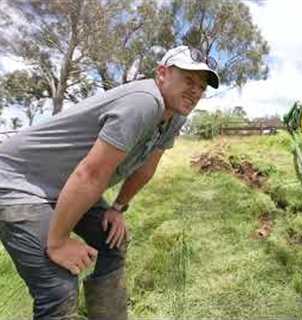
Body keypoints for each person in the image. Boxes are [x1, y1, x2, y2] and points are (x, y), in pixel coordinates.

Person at [0, 45, 219, 320]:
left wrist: (117, 208)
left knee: (113, 242)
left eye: (201, 87)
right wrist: (57, 242)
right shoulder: (144, 101)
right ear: (162, 73)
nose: (196, 91)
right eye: (189, 80)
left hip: (64, 184)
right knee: (58, 286)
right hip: (18, 182)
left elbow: (145, 170)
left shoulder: (174, 117)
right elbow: (90, 174)